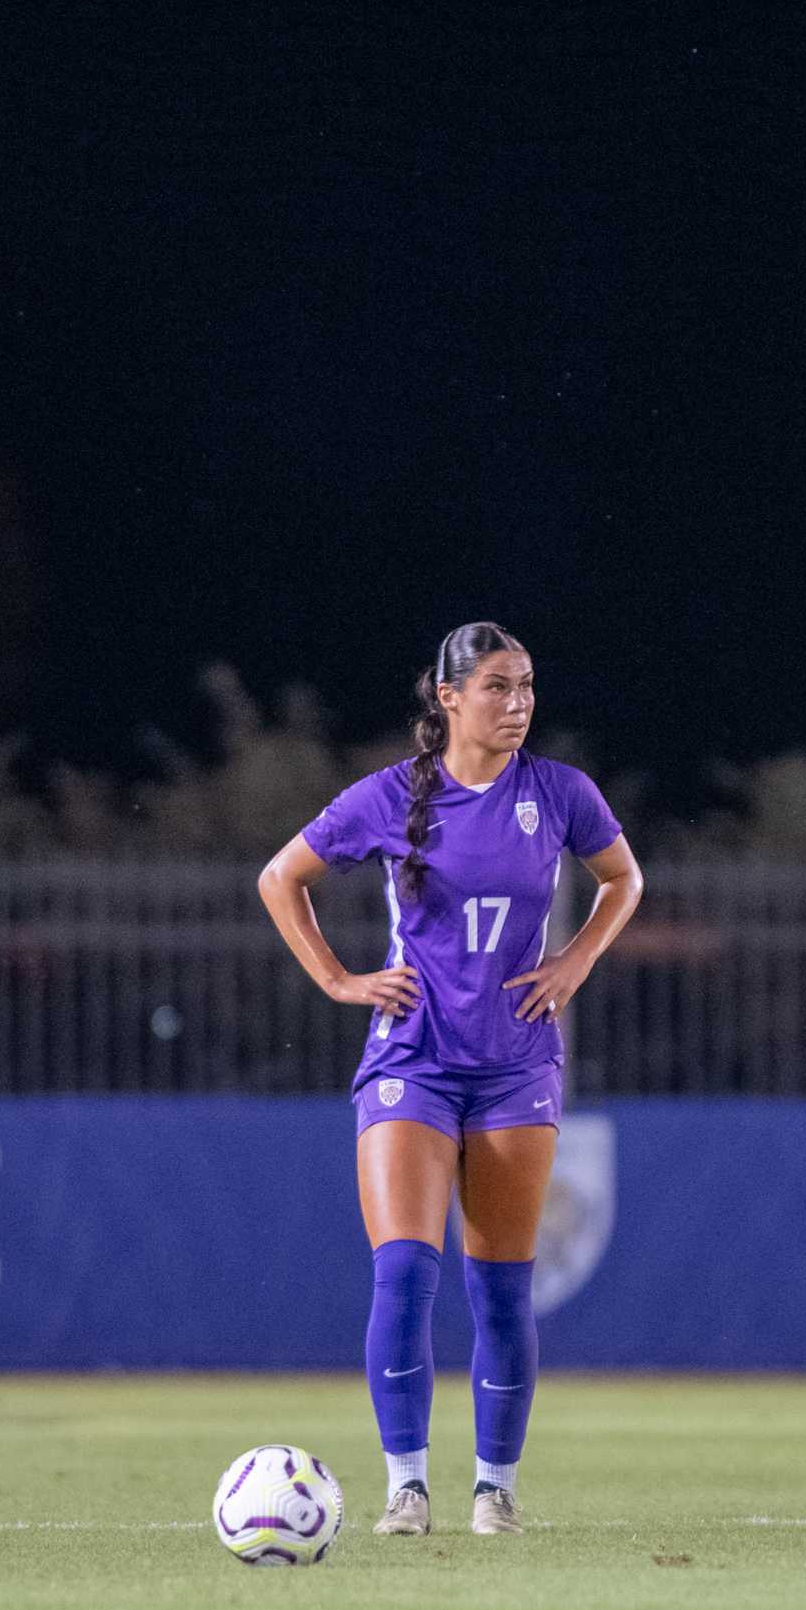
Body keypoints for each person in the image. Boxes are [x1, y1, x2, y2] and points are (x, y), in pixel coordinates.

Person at [258, 621, 643, 1536]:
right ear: (450, 697)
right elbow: (282, 877)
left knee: (502, 1289)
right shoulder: (395, 796)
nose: (518, 706)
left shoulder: (558, 793)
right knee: (403, 1274)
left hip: (515, 1066)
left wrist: (574, 962)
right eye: (498, 688)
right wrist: (341, 981)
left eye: (527, 688)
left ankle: (494, 1489)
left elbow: (623, 881)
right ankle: (405, 1488)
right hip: (412, 1061)